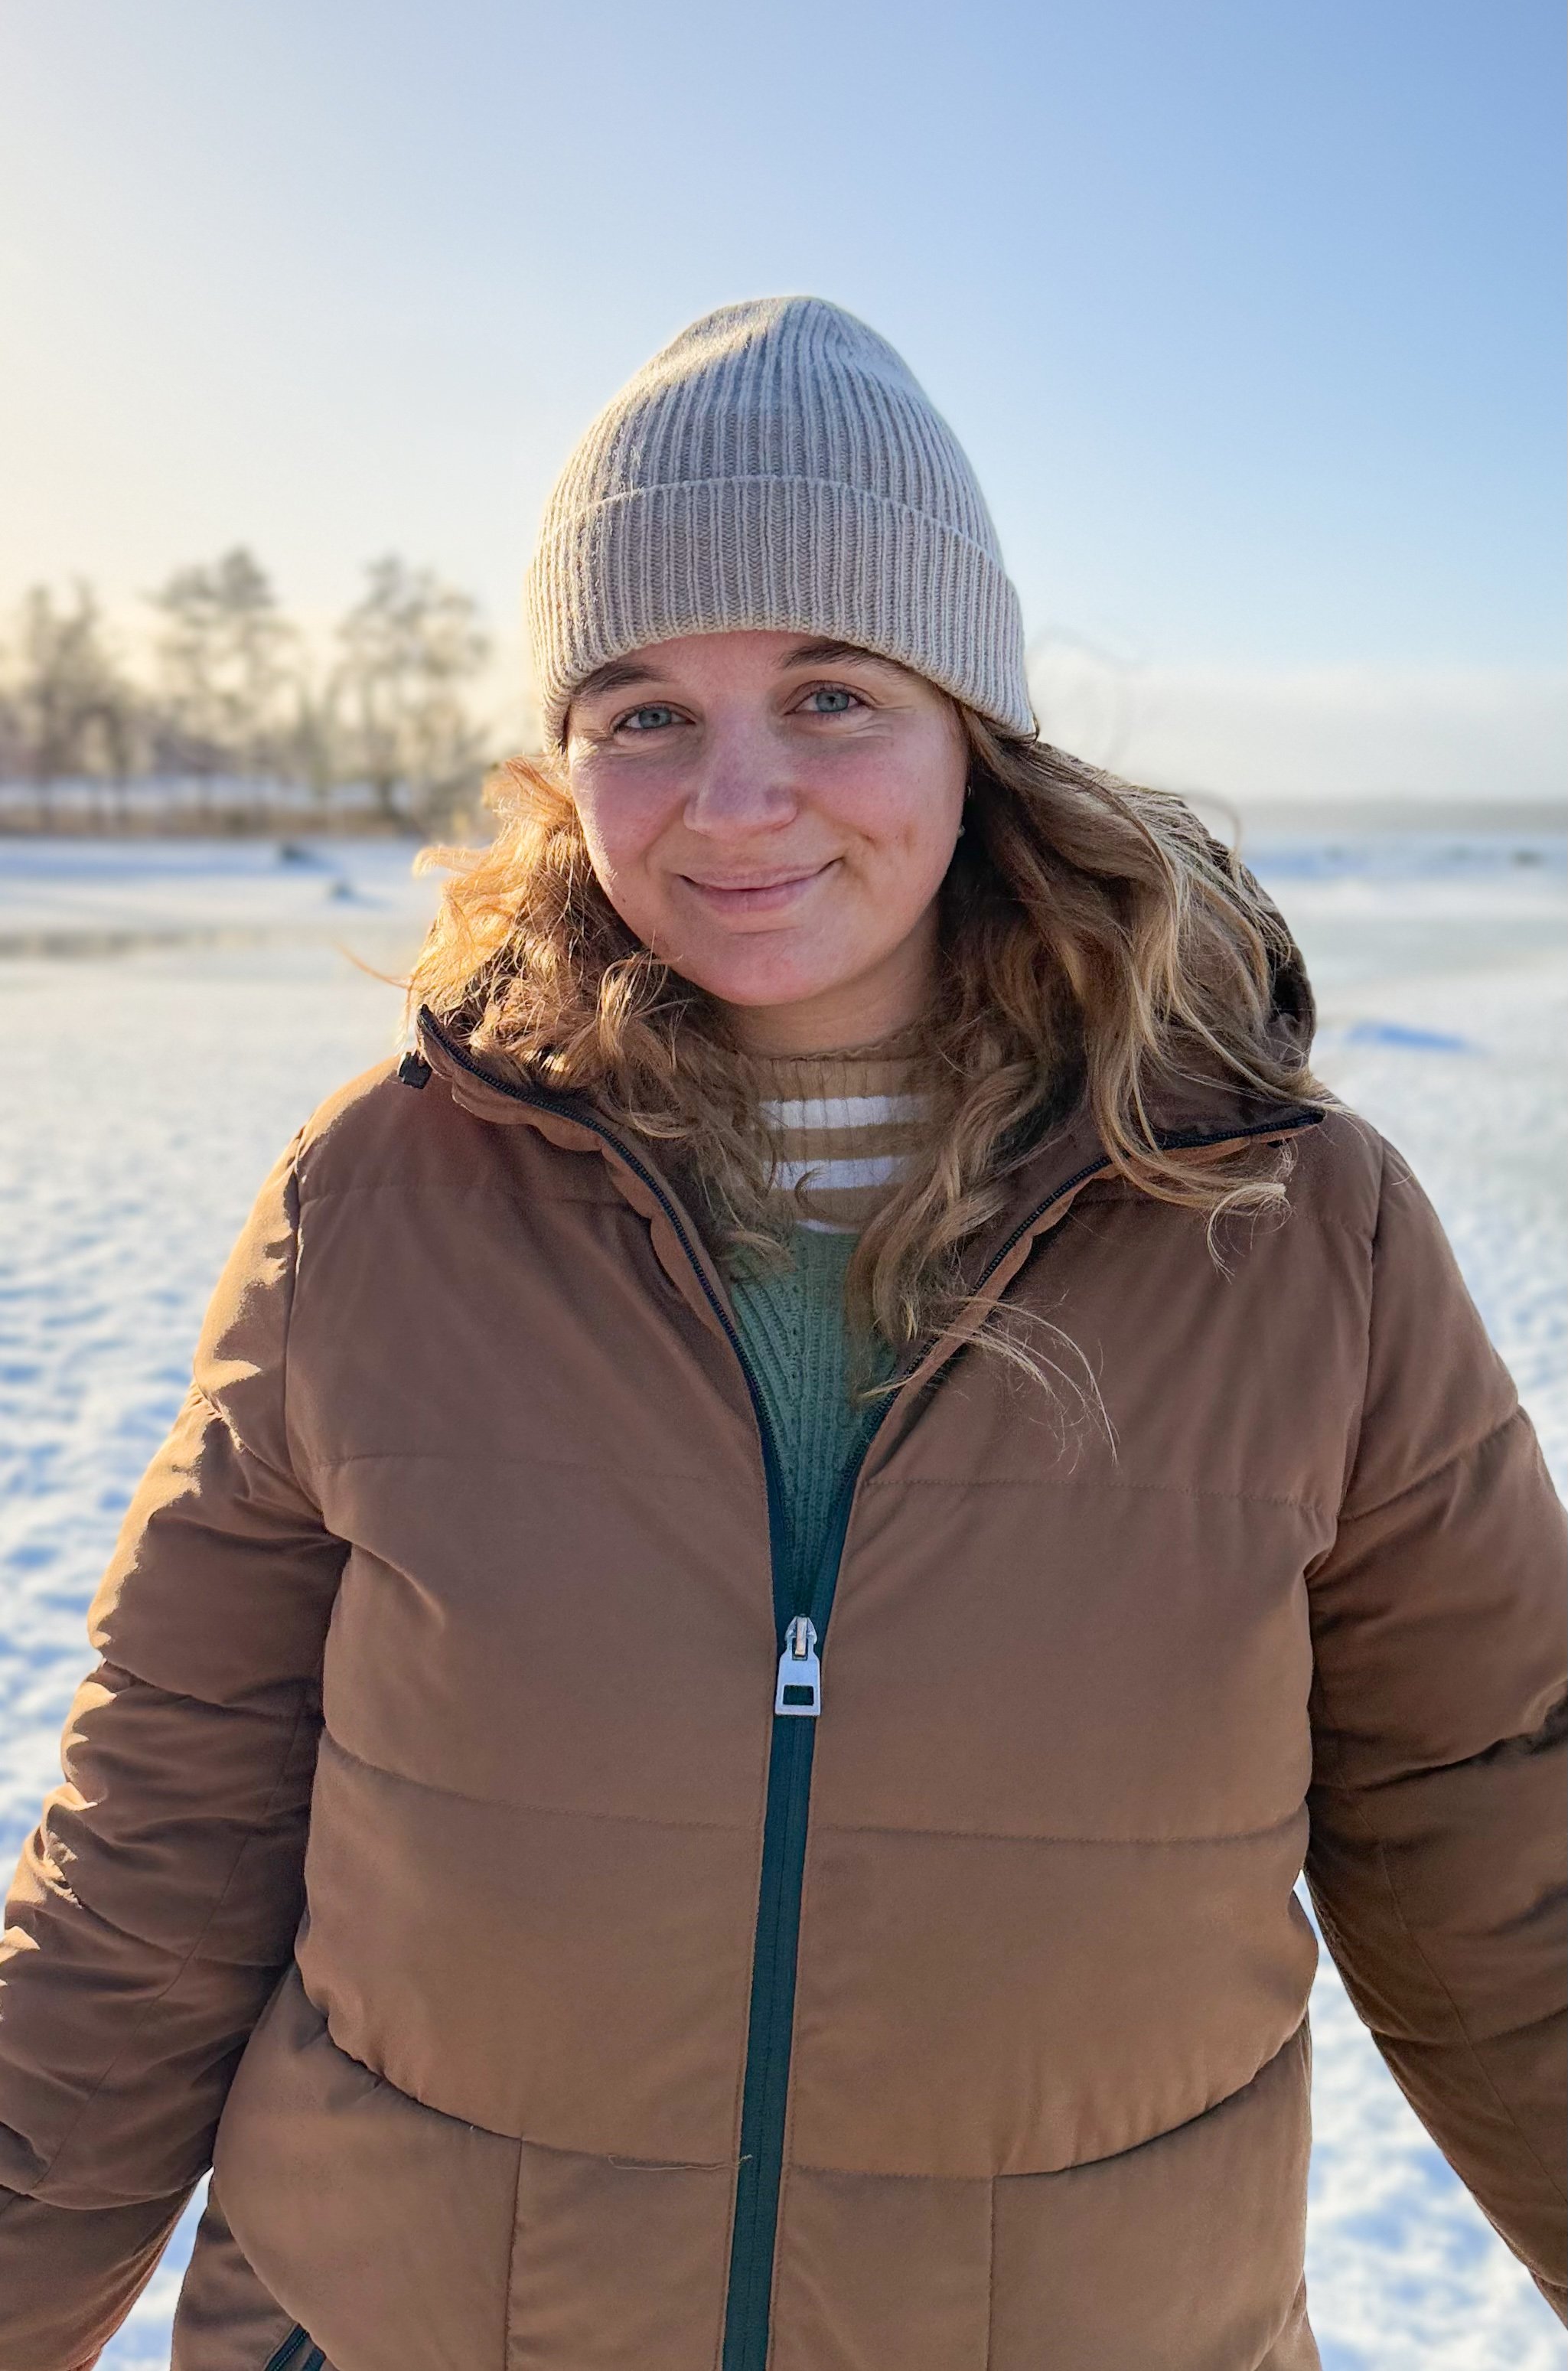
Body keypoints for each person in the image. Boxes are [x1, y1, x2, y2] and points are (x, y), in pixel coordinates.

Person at [0, 296, 1562, 2371]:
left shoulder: (1294, 1233)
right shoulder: (376, 1200)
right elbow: (153, 1843)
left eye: (828, 691)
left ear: (970, 730)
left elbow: (1509, 1860)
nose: (731, 799)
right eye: (639, 708)